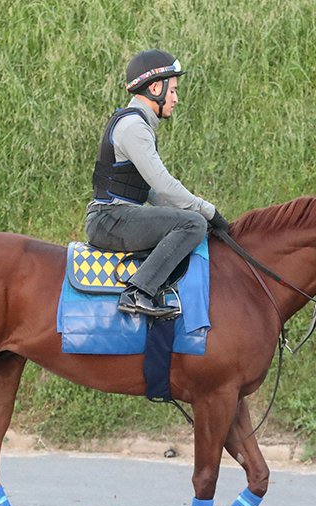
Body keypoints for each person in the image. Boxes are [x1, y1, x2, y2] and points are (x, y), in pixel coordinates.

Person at [86, 49, 230, 318]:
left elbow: (150, 192)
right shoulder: (134, 127)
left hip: (116, 216)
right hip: (110, 219)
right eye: (173, 90)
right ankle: (138, 292)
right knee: (192, 224)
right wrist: (207, 212)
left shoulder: (135, 123)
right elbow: (163, 185)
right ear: (155, 88)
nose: (176, 99)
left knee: (190, 219)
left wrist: (193, 211)